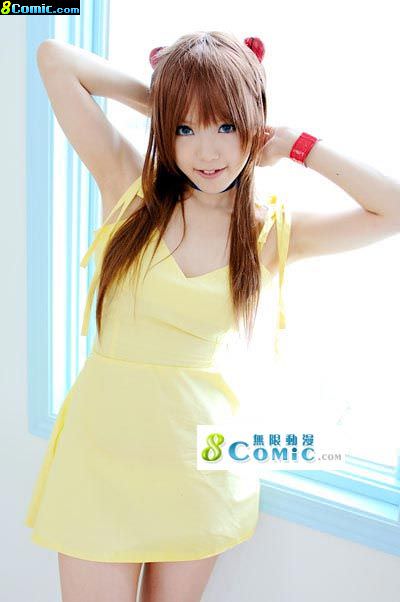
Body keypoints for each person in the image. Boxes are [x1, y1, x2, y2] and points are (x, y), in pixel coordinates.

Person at [24, 31, 400, 602]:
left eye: (226, 126)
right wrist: (167, 106)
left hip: (198, 467)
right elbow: (55, 58)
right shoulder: (128, 189)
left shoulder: (267, 233)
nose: (207, 152)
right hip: (99, 457)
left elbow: (392, 209)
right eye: (186, 130)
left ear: (253, 123)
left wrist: (295, 144)